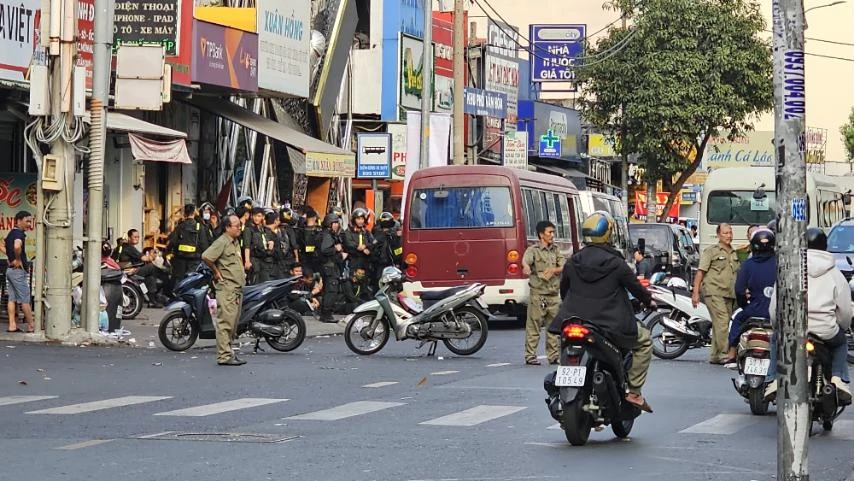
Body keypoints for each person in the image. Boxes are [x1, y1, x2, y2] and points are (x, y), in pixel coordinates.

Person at [548, 211, 654, 412]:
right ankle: (634, 392)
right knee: (644, 341)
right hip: (609, 324)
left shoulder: (573, 261)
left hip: (573, 320)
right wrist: (649, 301)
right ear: (608, 235)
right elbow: (637, 290)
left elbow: (564, 290)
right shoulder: (616, 263)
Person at [765, 228, 852, 402]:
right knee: (841, 342)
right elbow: (845, 311)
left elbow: (775, 306)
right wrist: (842, 325)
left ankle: (773, 379)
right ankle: (838, 378)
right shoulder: (835, 274)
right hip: (825, 330)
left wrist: (778, 326)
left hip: (792, 328)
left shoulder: (790, 270)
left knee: (776, 338)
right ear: (825, 246)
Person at [724, 228, 777, 367]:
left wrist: (745, 306)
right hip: (776, 312)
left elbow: (739, 290)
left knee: (737, 320)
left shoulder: (748, 265)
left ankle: (731, 353)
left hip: (753, 311)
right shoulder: (781, 264)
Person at [201, 214, 247, 366]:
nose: (239, 228)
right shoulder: (222, 241)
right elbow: (206, 256)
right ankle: (224, 356)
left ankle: (229, 352)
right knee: (225, 323)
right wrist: (215, 271)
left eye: (240, 225)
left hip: (236, 289)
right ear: (227, 227)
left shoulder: (234, 242)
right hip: (227, 288)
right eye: (236, 225)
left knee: (233, 324)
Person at [692, 223, 739, 365]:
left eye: (730, 233)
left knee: (720, 324)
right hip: (713, 292)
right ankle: (725, 354)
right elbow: (701, 272)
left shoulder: (734, 252)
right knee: (723, 322)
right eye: (725, 233)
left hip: (729, 294)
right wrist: (695, 292)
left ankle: (715, 355)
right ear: (719, 235)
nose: (728, 236)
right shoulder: (711, 251)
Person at [521, 220, 564, 365]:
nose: (552, 235)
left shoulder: (556, 249)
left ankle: (553, 356)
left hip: (553, 295)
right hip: (538, 295)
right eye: (549, 232)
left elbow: (563, 265)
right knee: (534, 327)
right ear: (541, 235)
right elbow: (525, 262)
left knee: (554, 328)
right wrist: (526, 267)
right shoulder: (533, 250)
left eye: (553, 232)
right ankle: (530, 355)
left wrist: (554, 270)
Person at [119, 229, 165, 307]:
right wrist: (152, 256)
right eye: (135, 237)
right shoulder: (129, 248)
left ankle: (152, 300)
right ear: (129, 238)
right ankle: (164, 289)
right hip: (130, 271)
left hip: (133, 269)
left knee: (150, 278)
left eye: (138, 237)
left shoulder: (129, 247)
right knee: (152, 268)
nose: (137, 238)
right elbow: (145, 258)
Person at [4, 211, 34, 333]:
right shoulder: (19, 234)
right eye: (27, 221)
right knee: (25, 299)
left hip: (10, 270)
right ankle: (31, 326)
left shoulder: (11, 233)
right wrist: (17, 259)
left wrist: (10, 258)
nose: (29, 224)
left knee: (12, 298)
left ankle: (12, 325)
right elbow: (17, 246)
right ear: (19, 220)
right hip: (17, 271)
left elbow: (4, 245)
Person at [167, 204, 208, 283]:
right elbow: (204, 244)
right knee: (191, 281)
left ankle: (179, 295)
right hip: (194, 260)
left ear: (185, 214)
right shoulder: (199, 227)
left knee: (180, 282)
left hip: (180, 260)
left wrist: (168, 251)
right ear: (194, 213)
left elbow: (172, 242)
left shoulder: (180, 226)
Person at [318, 213, 346, 323]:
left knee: (329, 290)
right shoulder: (327, 235)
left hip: (329, 266)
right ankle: (326, 315)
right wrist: (336, 249)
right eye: (334, 223)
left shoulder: (329, 234)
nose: (336, 225)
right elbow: (324, 250)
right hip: (330, 267)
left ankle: (325, 313)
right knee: (331, 290)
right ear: (329, 224)